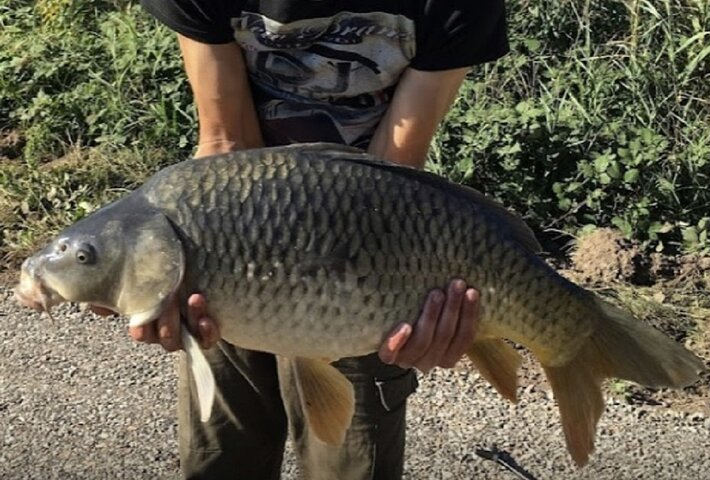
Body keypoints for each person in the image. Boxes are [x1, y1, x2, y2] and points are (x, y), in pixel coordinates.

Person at [97, 1, 508, 478]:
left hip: (363, 249)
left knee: (348, 460)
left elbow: (390, 178)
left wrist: (402, 302)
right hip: (227, 234)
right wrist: (155, 278)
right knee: (223, 457)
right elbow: (226, 145)